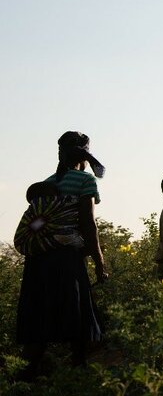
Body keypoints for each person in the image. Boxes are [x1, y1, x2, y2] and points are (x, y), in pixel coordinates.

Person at [16, 132, 107, 381]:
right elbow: (88, 223)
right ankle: (78, 373)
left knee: (41, 310)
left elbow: (39, 220)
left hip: (39, 258)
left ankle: (28, 373)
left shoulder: (47, 182)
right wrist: (99, 261)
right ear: (85, 156)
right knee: (76, 309)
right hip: (66, 257)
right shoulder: (85, 180)